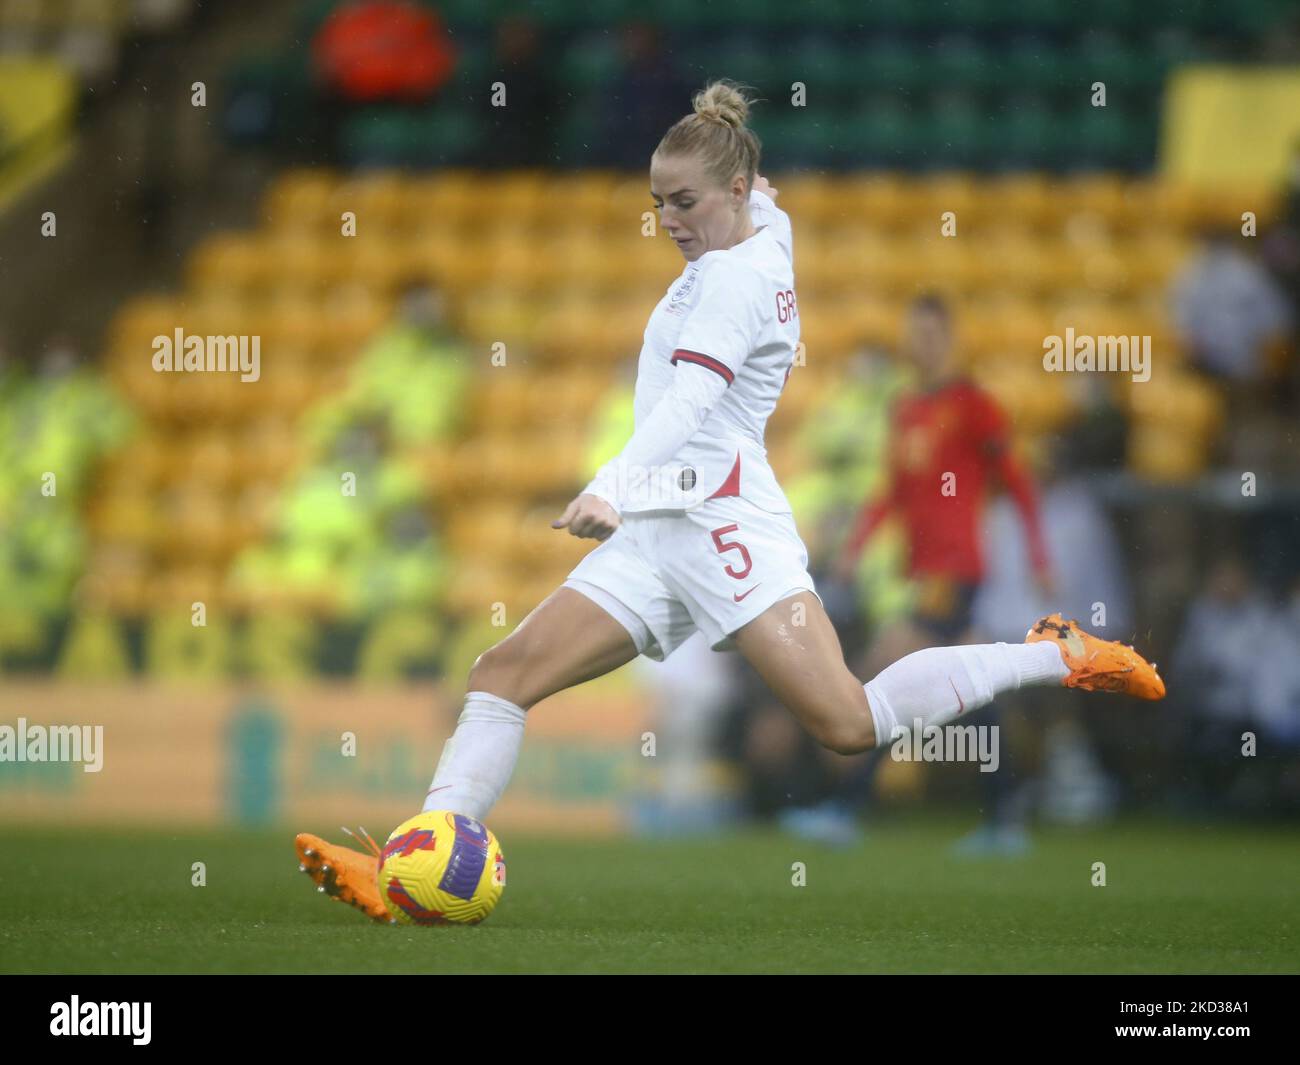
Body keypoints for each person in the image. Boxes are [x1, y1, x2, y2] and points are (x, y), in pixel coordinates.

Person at [294, 81, 1165, 922]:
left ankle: (1057, 655)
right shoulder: (761, 228)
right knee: (501, 676)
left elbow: (687, 407)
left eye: (683, 202)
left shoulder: (733, 283)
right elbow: (762, 203)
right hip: (661, 529)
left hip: (722, 525)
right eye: (658, 203)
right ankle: (411, 865)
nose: (669, 221)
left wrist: (610, 486)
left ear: (734, 191)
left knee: (848, 721)